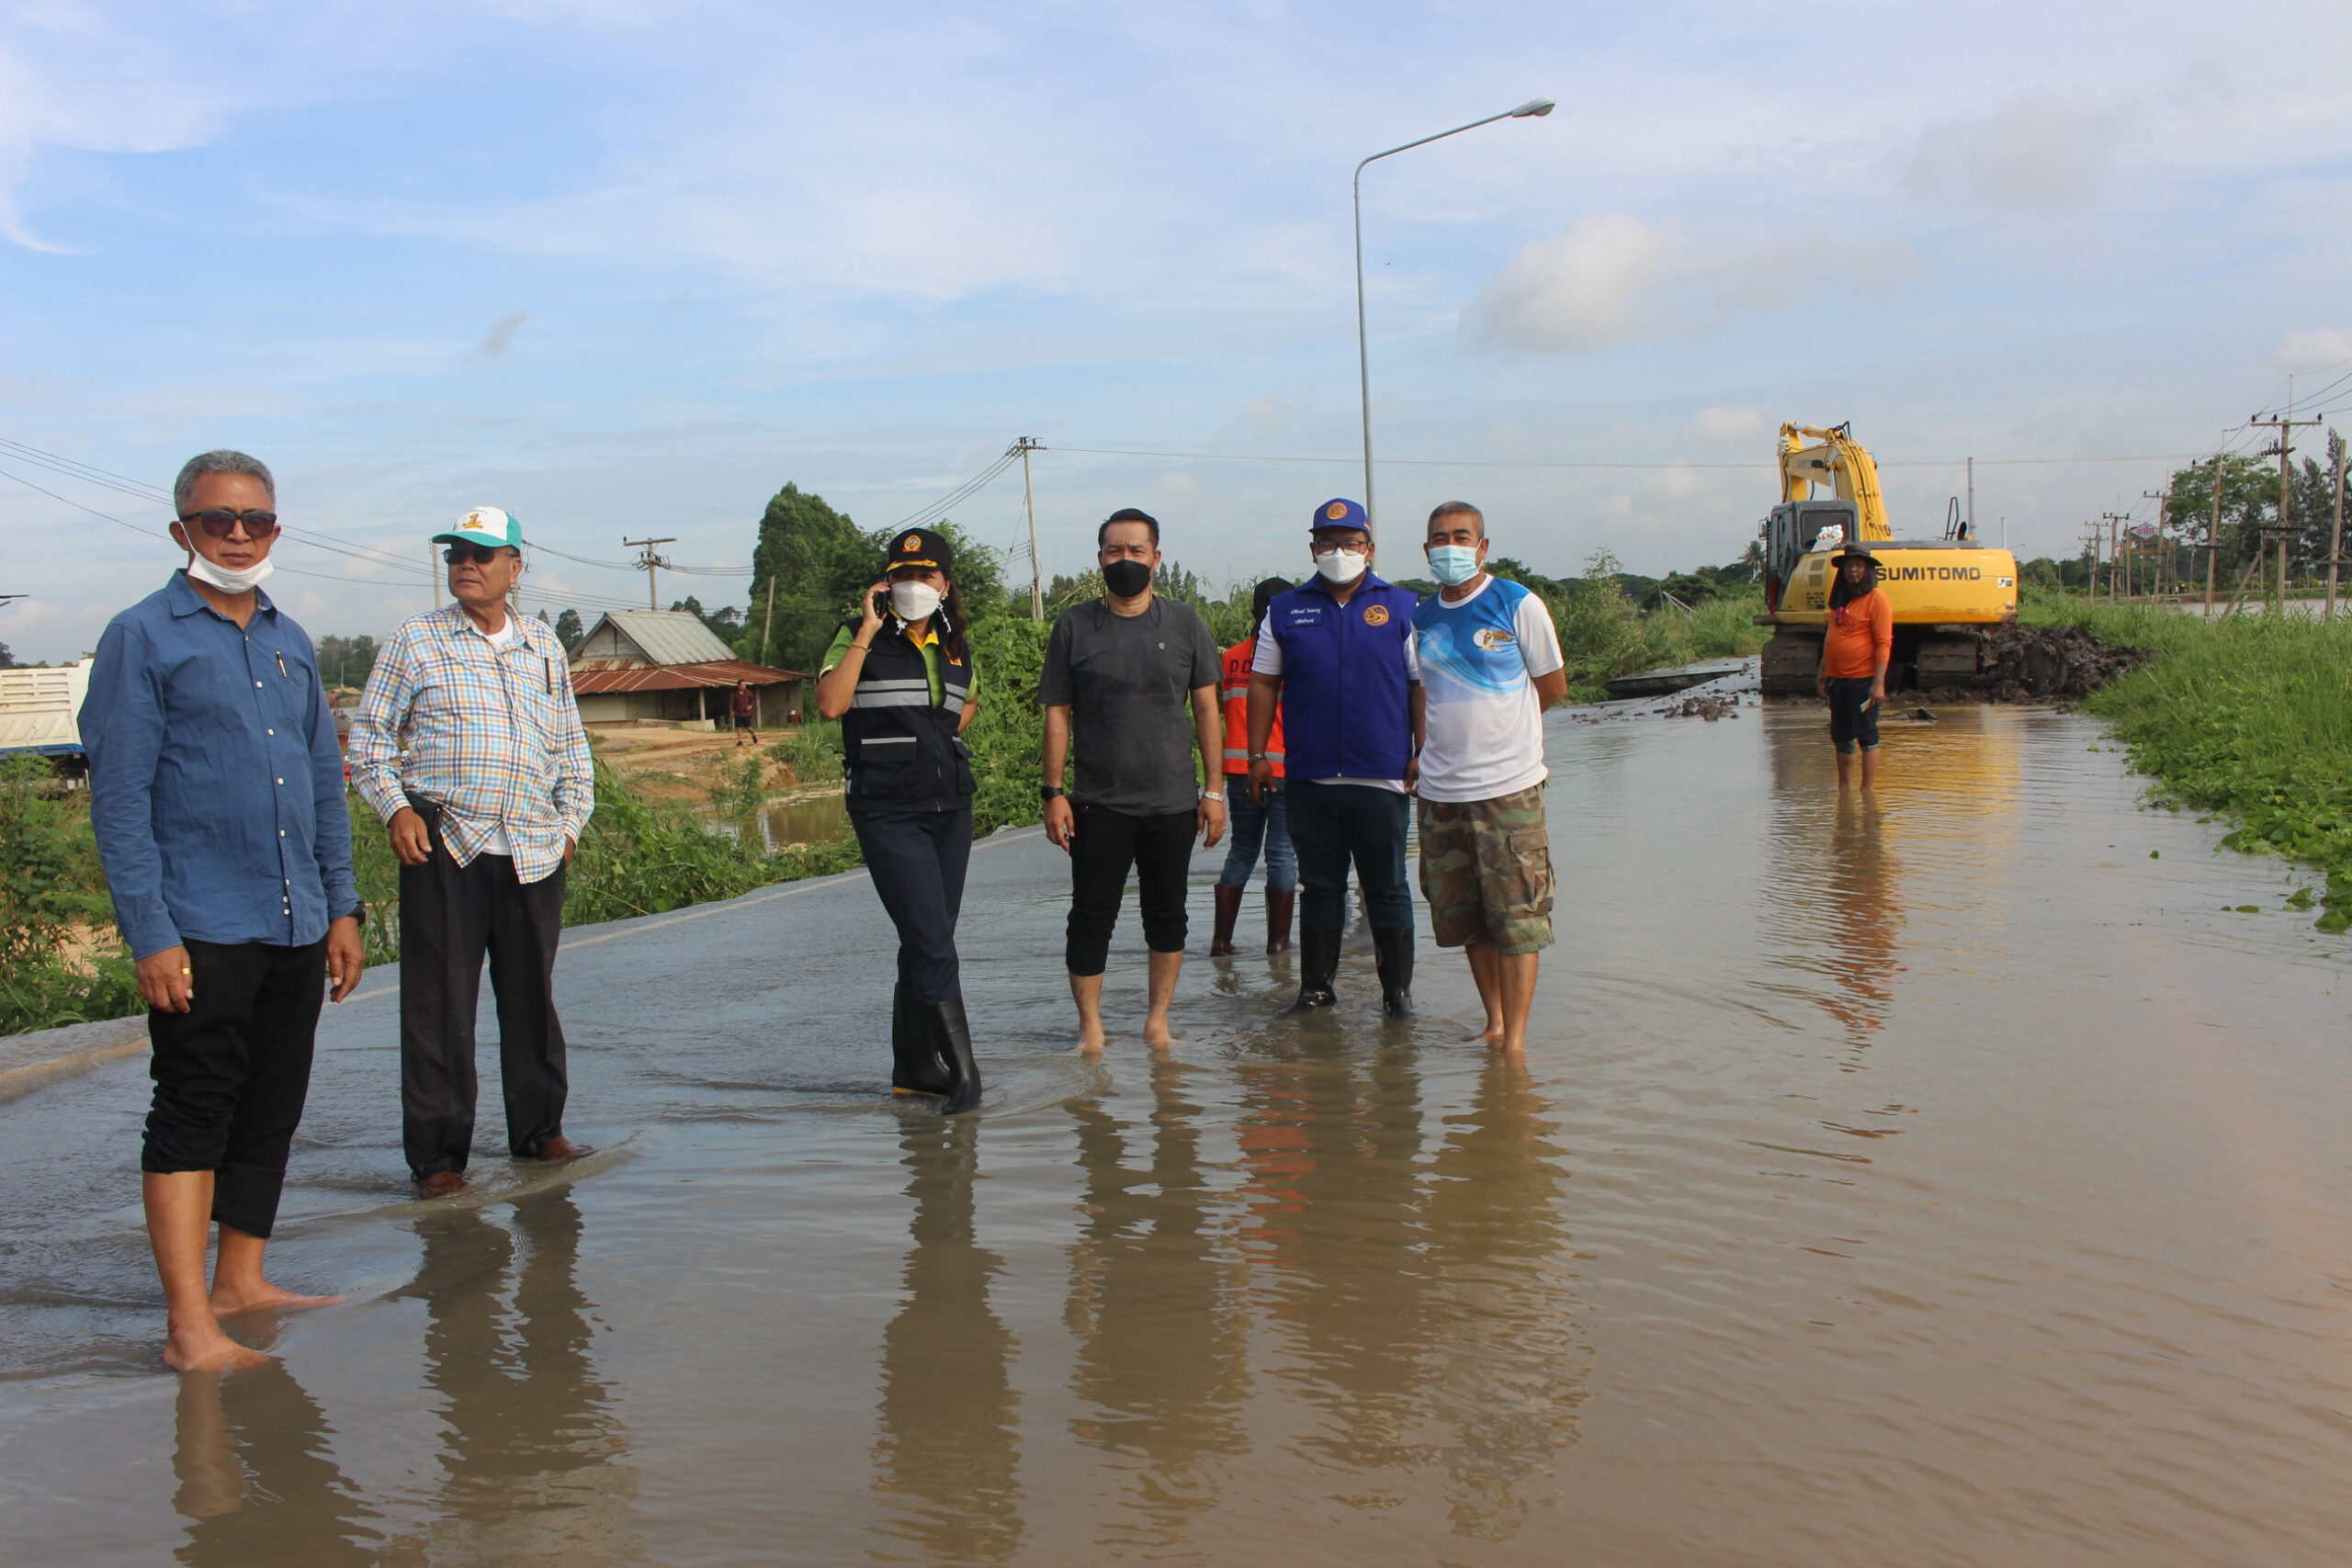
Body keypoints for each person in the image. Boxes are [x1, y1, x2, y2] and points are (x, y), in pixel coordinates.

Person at [81, 449, 367, 1373]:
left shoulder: (291, 641)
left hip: (294, 917)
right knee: (193, 1108)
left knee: (272, 1103)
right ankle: (188, 1324)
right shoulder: (142, 637)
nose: (239, 536)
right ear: (183, 530)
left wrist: (341, 907)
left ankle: (241, 1280)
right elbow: (120, 800)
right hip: (200, 920)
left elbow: (323, 783)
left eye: (257, 520)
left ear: (276, 529)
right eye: (219, 520)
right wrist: (150, 933)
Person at [349, 506, 595, 1198]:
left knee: (532, 997)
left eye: (481, 554)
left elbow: (571, 748)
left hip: (532, 849)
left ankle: (540, 1132)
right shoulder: (416, 640)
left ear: (515, 566)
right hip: (446, 845)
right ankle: (438, 1160)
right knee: (439, 1009)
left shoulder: (543, 646)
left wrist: (569, 827)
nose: (465, 564)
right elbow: (368, 742)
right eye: (456, 552)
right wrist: (396, 808)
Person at [813, 525, 985, 1112]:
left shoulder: (955, 645)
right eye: (902, 574)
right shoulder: (854, 635)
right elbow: (831, 705)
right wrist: (866, 631)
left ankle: (914, 1069)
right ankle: (965, 1074)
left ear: (945, 584)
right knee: (932, 940)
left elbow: (965, 706)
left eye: (925, 574)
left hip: (950, 807)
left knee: (928, 937)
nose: (914, 583)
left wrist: (936, 745)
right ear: (885, 582)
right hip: (887, 809)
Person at [1041, 508, 1226, 1051]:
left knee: (1167, 915)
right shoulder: (1074, 626)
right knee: (1090, 916)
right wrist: (1054, 792)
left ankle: (1157, 1022)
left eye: (1136, 551)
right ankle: (1091, 1029)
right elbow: (1057, 713)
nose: (1125, 560)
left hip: (1172, 802)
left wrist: (1213, 791)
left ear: (1156, 558)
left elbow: (1207, 710)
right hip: (1097, 803)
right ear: (1100, 558)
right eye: (1115, 551)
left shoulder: (1185, 622)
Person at [1246, 498, 1423, 1016]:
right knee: (1320, 887)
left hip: (1382, 776)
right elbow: (1263, 683)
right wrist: (1258, 755)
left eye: (1350, 543)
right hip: (1310, 776)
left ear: (1369, 548)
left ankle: (1397, 996)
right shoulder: (1284, 611)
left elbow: (1419, 685)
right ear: (1313, 549)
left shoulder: (1404, 608)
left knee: (1388, 886)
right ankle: (1315, 991)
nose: (1339, 552)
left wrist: (1423, 750)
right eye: (1328, 542)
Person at [1410, 502, 1567, 1054]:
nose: (1449, 546)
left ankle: (1515, 1045)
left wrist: (1507, 736)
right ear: (1426, 549)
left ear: (1482, 546)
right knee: (1467, 918)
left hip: (1508, 790)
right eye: (1439, 538)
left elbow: (1552, 686)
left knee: (1517, 918)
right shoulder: (1421, 619)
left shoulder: (1517, 603)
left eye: (1461, 536)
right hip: (1440, 794)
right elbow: (1423, 693)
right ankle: (1494, 1024)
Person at [1209, 577, 1297, 957]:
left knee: (1241, 852)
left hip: (1239, 768)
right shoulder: (1295, 657)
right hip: (1284, 769)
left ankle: (1221, 941)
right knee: (1282, 854)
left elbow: (1220, 709)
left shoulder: (1230, 658)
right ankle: (1278, 943)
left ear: (1253, 613)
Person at [1816, 542, 1891, 790]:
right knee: (1841, 735)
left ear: (1867, 569)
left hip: (1864, 681)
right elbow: (1831, 637)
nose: (1853, 570)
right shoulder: (1839, 602)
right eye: (1849, 565)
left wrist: (1878, 683)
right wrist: (1823, 670)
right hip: (1837, 680)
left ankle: (1867, 792)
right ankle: (1845, 791)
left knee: (1867, 735)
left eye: (1858, 565)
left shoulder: (1876, 599)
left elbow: (1884, 642)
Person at [731, 679, 759, 747]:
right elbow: (733, 704)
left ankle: (754, 735)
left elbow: (752, 701)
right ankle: (740, 741)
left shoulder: (749, 693)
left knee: (748, 727)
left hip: (747, 713)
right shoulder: (735, 694)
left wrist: (750, 706)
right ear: (739, 686)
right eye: (743, 685)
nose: (744, 686)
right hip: (738, 713)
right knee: (739, 727)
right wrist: (733, 712)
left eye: (745, 685)